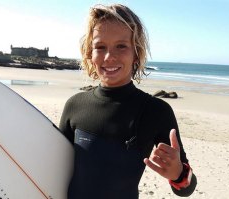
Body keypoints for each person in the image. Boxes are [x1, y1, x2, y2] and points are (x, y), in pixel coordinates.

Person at [59, 3, 197, 199]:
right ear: (90, 53)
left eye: (121, 46)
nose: (109, 56)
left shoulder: (155, 111)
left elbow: (187, 188)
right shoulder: (75, 105)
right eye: (100, 47)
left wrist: (178, 173)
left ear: (136, 53)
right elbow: (55, 168)